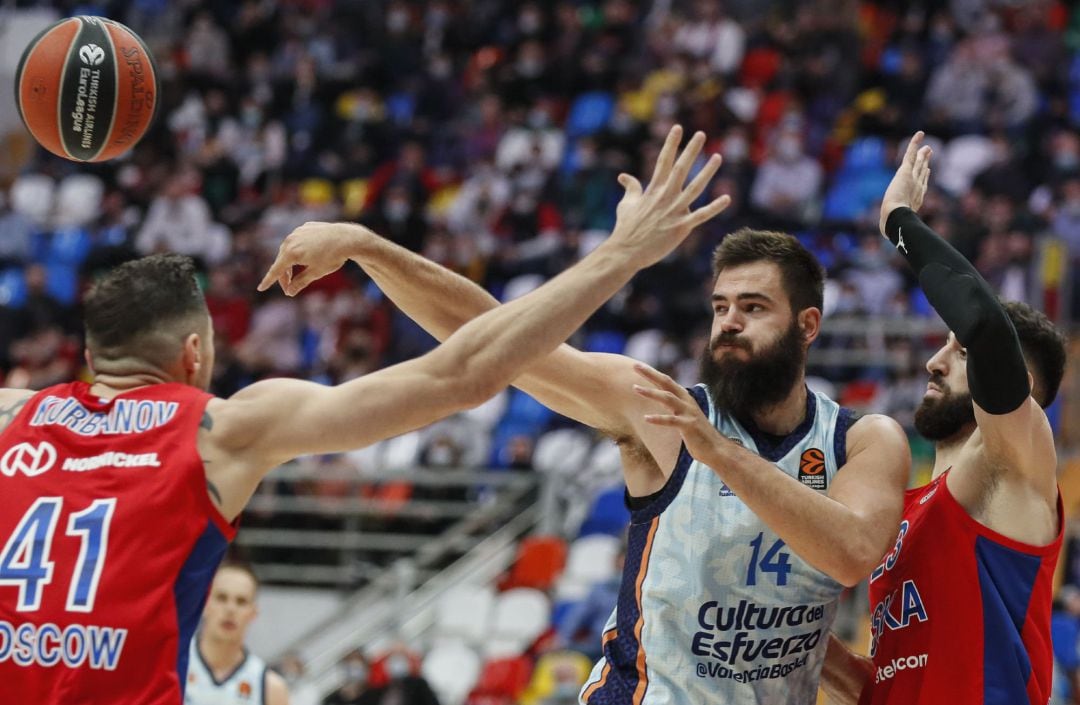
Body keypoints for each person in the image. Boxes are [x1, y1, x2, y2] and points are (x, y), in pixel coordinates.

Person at [0, 125, 730, 705]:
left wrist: (367, 246)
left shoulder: (13, 417)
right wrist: (621, 253)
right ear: (194, 353)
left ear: (90, 352)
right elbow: (464, 371)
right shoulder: (218, 428)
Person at [288, 154, 913, 704]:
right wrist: (366, 246)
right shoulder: (660, 411)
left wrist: (719, 455)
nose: (728, 323)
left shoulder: (860, 441)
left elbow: (853, 553)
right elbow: (490, 337)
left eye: (753, 308)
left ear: (807, 326)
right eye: (720, 307)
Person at [820, 133, 1068, 705]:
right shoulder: (903, 510)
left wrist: (898, 221)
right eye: (943, 346)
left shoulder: (1017, 460)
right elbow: (885, 682)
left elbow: (986, 329)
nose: (934, 361)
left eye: (956, 352)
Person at [185, 561, 288, 705]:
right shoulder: (173, 664)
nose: (230, 609)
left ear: (253, 613)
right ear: (205, 603)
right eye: (221, 598)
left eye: (241, 601)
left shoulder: (270, 687)